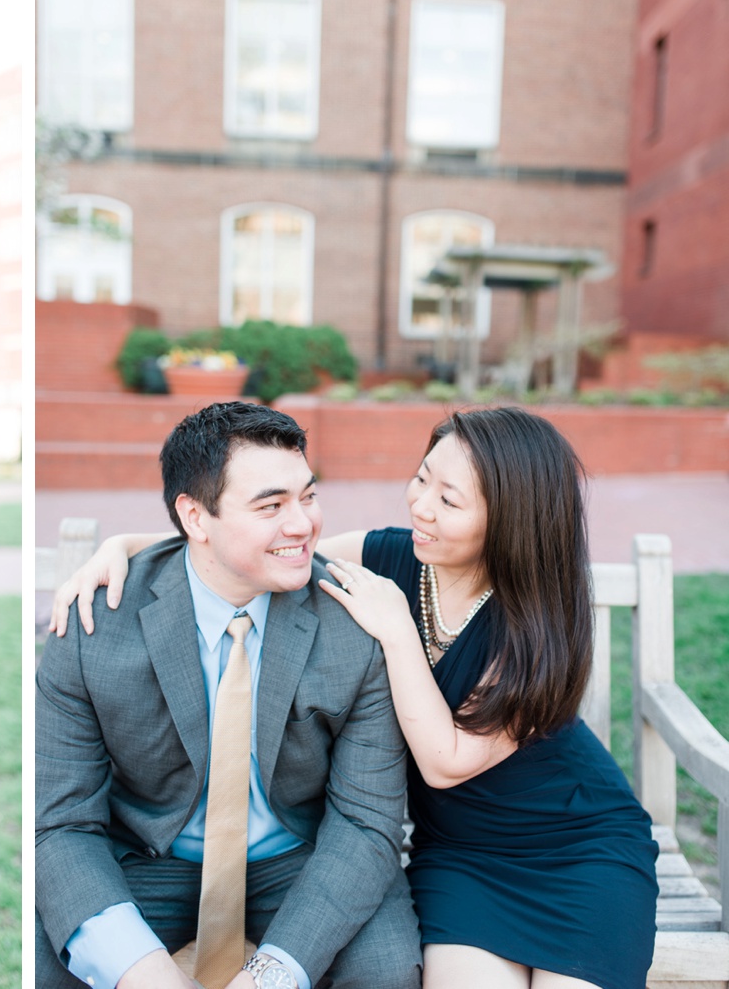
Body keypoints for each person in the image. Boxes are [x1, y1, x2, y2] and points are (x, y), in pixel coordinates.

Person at [52, 405, 659, 989]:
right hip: (460, 853)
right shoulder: (390, 556)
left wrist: (397, 629)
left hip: (572, 843)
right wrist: (124, 547)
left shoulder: (539, 624)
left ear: (510, 519)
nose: (420, 505)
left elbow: (445, 763)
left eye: (448, 500)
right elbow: (266, 547)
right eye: (422, 478)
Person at [37, 402, 421, 989]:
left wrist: (269, 976)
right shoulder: (94, 622)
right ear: (195, 517)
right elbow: (60, 823)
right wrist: (147, 978)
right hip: (146, 859)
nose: (302, 525)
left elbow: (367, 824)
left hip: (299, 858)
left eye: (308, 497)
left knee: (386, 970)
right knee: (48, 964)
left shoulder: (356, 623)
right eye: (270, 506)